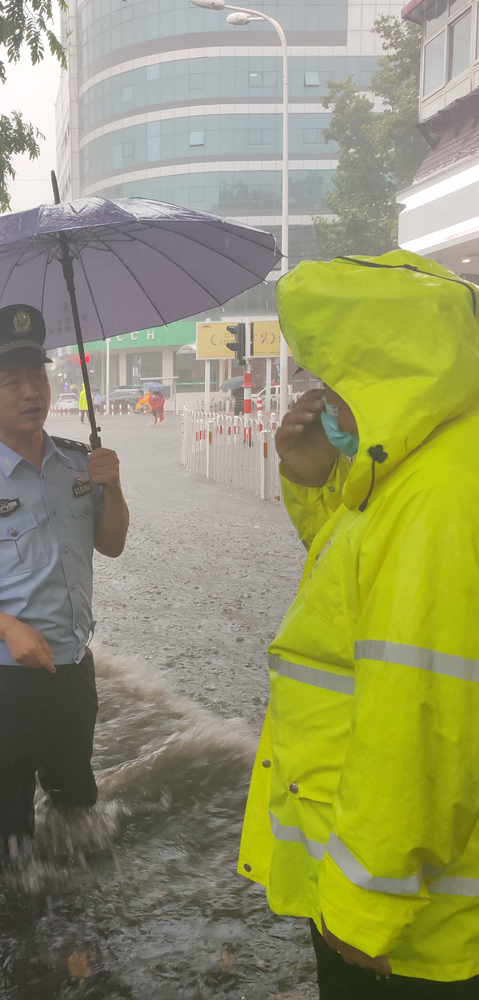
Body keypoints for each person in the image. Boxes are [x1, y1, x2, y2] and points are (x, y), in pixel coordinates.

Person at [237, 251, 479, 997]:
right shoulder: (419, 466)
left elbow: (421, 709)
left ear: (380, 372)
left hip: (413, 931)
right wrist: (318, 485)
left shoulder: (437, 497)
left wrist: (363, 904)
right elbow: (353, 601)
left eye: (331, 375)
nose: (320, 397)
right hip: (408, 902)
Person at [0, 305, 129, 870]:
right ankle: (9, 938)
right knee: (9, 820)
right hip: (1, 681)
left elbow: (110, 544)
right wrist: (6, 626)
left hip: (70, 666)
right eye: (10, 382)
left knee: (76, 799)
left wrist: (113, 487)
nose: (30, 391)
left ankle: (81, 916)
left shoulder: (78, 463)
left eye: (37, 375)